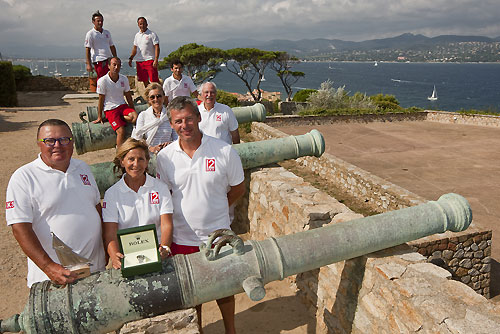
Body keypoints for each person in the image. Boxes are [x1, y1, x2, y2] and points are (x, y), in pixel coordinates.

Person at [156, 96, 245, 334]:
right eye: (178, 121)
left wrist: (219, 208)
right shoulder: (164, 158)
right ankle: (198, 330)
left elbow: (238, 188)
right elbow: (164, 195)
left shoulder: (224, 151)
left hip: (218, 236)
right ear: (172, 125)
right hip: (182, 238)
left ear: (198, 118)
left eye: (188, 119)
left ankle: (230, 331)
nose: (184, 125)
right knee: (192, 292)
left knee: (225, 289)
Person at [5, 119, 106, 287]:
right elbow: (19, 228)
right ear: (39, 144)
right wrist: (49, 267)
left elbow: (96, 207)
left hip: (95, 271)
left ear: (72, 142)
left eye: (64, 139)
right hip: (55, 278)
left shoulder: (83, 168)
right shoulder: (23, 177)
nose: (57, 145)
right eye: (49, 141)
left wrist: (105, 247)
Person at [102, 138, 173, 268]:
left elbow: (166, 224)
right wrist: (114, 255)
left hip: (157, 254)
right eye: (131, 159)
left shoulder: (161, 188)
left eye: (141, 159)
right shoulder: (111, 194)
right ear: (122, 162)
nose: (136, 164)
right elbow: (110, 232)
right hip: (127, 258)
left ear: (147, 162)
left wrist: (165, 248)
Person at [94, 57, 138, 148]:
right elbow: (101, 99)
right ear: (109, 66)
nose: (116, 67)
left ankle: (120, 118)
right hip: (110, 109)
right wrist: (99, 116)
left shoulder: (124, 79)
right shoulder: (103, 81)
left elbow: (128, 96)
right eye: (114, 64)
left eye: (118, 65)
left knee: (134, 117)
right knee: (121, 131)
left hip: (122, 106)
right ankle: (119, 153)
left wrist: (132, 109)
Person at [131, 83, 177, 154]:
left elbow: (177, 138)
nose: (156, 99)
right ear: (148, 100)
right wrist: (151, 148)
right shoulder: (143, 116)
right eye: (152, 97)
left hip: (169, 153)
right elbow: (137, 139)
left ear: (164, 97)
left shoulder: (170, 115)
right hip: (149, 154)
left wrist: (169, 144)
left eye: (159, 96)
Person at [128, 17, 160, 88]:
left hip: (150, 60)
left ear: (147, 24)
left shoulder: (152, 34)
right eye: (140, 24)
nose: (142, 25)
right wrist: (131, 58)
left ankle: (159, 95)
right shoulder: (137, 35)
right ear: (138, 25)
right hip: (140, 61)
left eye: (143, 24)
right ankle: (149, 95)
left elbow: (157, 47)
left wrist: (156, 59)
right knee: (144, 80)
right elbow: (135, 48)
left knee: (154, 80)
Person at [85, 10, 117, 79]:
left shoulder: (107, 33)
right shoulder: (90, 34)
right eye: (98, 21)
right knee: (101, 80)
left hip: (109, 60)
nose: (100, 23)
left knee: (110, 79)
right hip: (99, 60)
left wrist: (115, 58)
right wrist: (88, 64)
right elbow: (87, 50)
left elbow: (112, 46)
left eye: (102, 21)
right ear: (93, 22)